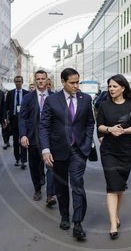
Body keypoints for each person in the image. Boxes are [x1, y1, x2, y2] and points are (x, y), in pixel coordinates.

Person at [40, 68, 95, 239]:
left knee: (77, 184)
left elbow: (89, 123)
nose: (76, 86)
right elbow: (44, 126)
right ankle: (65, 215)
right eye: (72, 83)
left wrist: (86, 143)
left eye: (78, 82)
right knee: (61, 187)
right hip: (58, 151)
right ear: (63, 82)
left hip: (79, 150)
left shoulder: (85, 99)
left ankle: (78, 223)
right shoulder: (52, 100)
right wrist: (46, 150)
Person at [96, 74, 131, 239]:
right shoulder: (104, 106)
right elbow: (99, 125)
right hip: (108, 150)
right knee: (112, 185)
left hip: (124, 151)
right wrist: (110, 129)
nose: (111, 89)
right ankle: (112, 224)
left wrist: (123, 130)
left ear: (123, 88)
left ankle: (115, 214)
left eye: (115, 86)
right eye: (110, 86)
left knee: (120, 186)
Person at [19, 70, 56, 205]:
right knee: (35, 166)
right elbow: (22, 117)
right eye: (38, 79)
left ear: (47, 80)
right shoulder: (28, 98)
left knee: (51, 165)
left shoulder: (54, 97)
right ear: (35, 80)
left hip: (50, 137)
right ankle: (37, 188)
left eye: (43, 79)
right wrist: (23, 135)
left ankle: (50, 194)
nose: (40, 81)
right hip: (33, 136)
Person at [6, 76, 29, 169]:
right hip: (14, 119)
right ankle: (17, 158)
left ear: (22, 82)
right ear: (14, 82)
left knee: (23, 139)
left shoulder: (26, 94)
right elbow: (6, 106)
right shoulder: (10, 93)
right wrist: (6, 118)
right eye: (16, 81)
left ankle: (23, 160)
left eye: (19, 81)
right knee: (16, 140)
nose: (18, 83)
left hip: (24, 120)